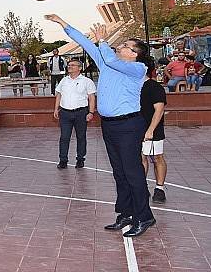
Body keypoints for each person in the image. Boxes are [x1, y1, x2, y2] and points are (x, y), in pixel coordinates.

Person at [45, 14, 155, 237]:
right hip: (110, 126)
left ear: (135, 54)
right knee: (119, 172)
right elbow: (86, 43)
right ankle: (125, 213)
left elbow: (112, 59)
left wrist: (103, 42)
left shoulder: (138, 69)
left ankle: (144, 217)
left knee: (133, 172)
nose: (120, 46)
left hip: (129, 125)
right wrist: (62, 22)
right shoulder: (106, 62)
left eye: (125, 45)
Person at [54, 59, 97, 169]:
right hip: (65, 113)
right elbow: (58, 95)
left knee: (81, 137)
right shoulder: (64, 80)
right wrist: (56, 109)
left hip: (81, 113)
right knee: (64, 137)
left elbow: (91, 98)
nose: (70, 67)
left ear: (80, 68)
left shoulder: (87, 81)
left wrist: (91, 112)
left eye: (73, 65)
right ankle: (63, 160)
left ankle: (80, 159)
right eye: (69, 65)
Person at [141, 58, 168, 204]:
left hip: (153, 128)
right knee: (141, 157)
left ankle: (160, 188)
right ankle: (141, 186)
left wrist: (151, 129)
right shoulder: (131, 86)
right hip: (135, 128)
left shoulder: (154, 87)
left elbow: (159, 109)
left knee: (157, 157)